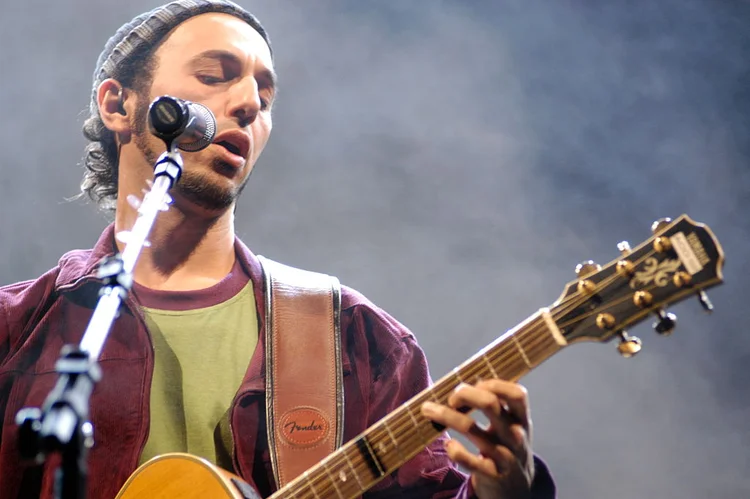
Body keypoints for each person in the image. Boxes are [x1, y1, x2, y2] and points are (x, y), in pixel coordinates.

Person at [0, 1, 556, 498]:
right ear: (118, 105)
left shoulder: (356, 340)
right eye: (216, 75)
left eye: (264, 97)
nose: (246, 104)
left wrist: (505, 495)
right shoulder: (17, 328)